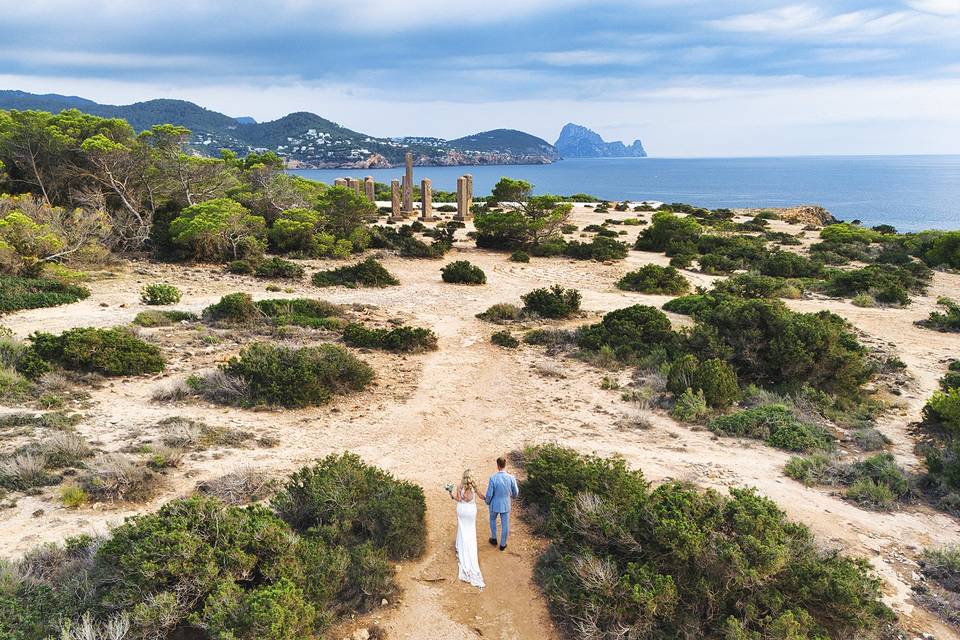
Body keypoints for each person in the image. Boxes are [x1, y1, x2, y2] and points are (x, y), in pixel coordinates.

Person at [448, 469, 484, 588]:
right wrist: (489, 498)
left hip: (462, 510)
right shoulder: (474, 487)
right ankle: (468, 547)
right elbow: (481, 496)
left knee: (462, 528)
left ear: (464, 477)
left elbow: (459, 499)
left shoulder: (459, 486)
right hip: (471, 511)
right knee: (470, 530)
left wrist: (451, 495)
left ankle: (460, 546)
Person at [484, 456, 519, 551]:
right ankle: (503, 544)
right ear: (505, 465)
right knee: (505, 524)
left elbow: (490, 493)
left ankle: (494, 538)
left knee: (492, 519)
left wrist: (487, 501)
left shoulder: (493, 478)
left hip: (495, 504)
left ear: (497, 465)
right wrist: (512, 496)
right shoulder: (511, 478)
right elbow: (516, 492)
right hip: (506, 504)